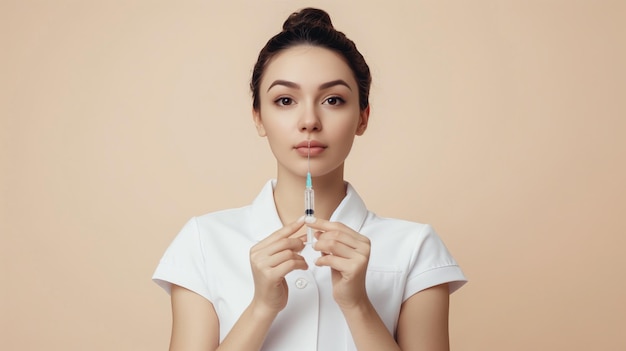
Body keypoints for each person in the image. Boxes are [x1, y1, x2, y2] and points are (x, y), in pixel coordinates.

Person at [153, 7, 466, 351]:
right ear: (258, 117)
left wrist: (357, 305)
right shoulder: (204, 242)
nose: (309, 121)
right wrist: (261, 309)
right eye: (285, 100)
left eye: (333, 100)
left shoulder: (416, 248)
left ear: (363, 117)